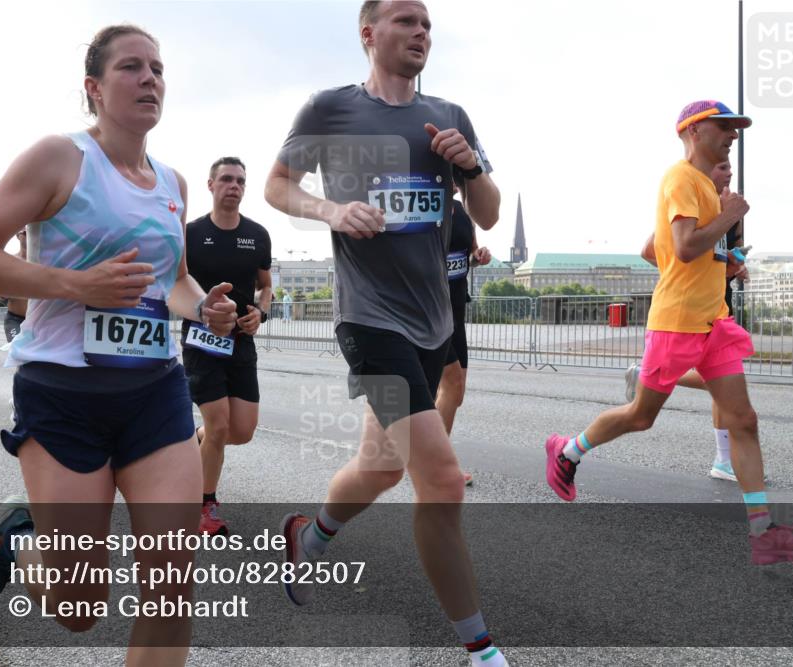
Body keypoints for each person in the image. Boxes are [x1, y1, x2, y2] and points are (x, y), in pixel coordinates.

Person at [0, 24, 236, 665]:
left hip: (154, 391)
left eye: (158, 69)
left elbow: (175, 281)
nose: (150, 79)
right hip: (63, 392)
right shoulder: (59, 158)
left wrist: (204, 310)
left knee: (172, 577)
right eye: (132, 67)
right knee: (77, 608)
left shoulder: (173, 183)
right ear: (94, 87)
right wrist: (74, 285)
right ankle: (20, 545)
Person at [264, 3, 506, 665]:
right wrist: (331, 209)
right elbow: (277, 185)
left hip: (433, 323)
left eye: (427, 23)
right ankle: (481, 648)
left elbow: (486, 213)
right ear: (369, 34)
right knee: (443, 479)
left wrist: (470, 169)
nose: (421, 32)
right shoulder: (330, 110)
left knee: (381, 464)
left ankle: (308, 537)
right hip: (368, 322)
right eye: (406, 20)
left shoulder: (452, 117)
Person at [544, 100, 793, 565]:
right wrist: (727, 219)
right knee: (640, 416)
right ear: (692, 130)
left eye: (736, 129)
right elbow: (683, 247)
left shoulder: (707, 189)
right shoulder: (680, 178)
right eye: (725, 127)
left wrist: (723, 263)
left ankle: (764, 534)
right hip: (676, 324)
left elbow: (662, 249)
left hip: (714, 323)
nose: (733, 135)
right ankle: (567, 450)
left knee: (744, 420)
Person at [625, 159, 749, 482]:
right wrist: (682, 272)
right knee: (721, 384)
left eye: (731, 167)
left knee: (725, 385)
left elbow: (728, 254)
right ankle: (651, 375)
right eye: (723, 166)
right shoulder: (689, 197)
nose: (730, 172)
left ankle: (723, 460)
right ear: (706, 169)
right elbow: (649, 250)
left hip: (720, 302)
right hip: (690, 308)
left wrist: (737, 266)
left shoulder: (733, 210)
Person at [182, 157, 272, 535]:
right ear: (211, 185)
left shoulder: (258, 234)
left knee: (242, 430)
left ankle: (196, 443)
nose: (233, 186)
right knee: (218, 425)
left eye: (240, 181)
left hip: (240, 342)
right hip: (201, 341)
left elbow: (266, 285)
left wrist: (261, 314)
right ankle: (204, 507)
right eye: (226, 179)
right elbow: (177, 281)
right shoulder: (190, 233)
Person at [436, 178, 494, 486]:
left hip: (456, 309)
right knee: (453, 385)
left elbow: (469, 253)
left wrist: (478, 256)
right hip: (429, 310)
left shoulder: (462, 211)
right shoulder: (424, 206)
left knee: (452, 393)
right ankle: (438, 466)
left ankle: (419, 447)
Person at [2, 230, 29, 343]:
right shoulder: (9, 262)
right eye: (26, 233)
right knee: (17, 351)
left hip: (40, 320)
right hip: (15, 319)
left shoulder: (46, 261)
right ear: (18, 235)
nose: (30, 235)